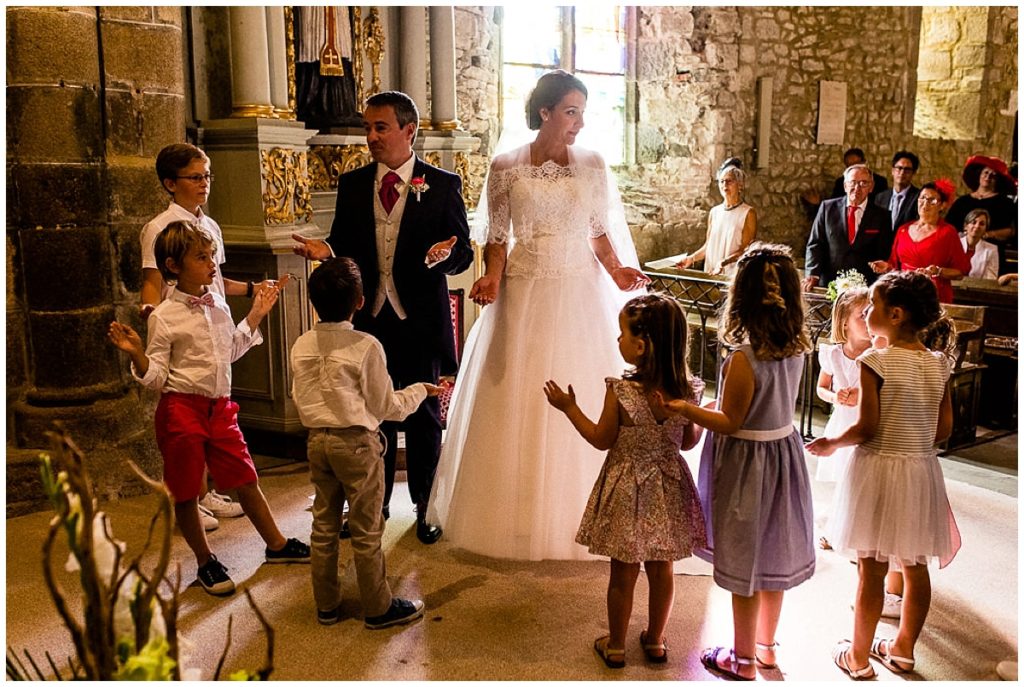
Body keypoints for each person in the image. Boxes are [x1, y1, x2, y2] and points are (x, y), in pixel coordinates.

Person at [426, 70, 649, 561]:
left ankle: (580, 513)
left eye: (583, 112)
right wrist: (490, 277)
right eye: (572, 111)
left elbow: (597, 231)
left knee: (584, 385)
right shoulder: (505, 165)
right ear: (545, 112)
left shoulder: (592, 163)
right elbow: (499, 237)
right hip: (524, 290)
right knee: (517, 398)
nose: (580, 123)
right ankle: (516, 514)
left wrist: (616, 271)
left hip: (578, 289)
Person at [291, 91, 473, 545]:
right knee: (372, 415)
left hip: (420, 317)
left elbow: (463, 252)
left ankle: (426, 506)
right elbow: (343, 242)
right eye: (367, 128)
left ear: (409, 131)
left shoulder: (443, 184)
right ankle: (374, 504)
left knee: (425, 414)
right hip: (369, 318)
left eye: (380, 127)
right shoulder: (353, 184)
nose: (370, 136)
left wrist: (445, 258)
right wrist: (326, 252)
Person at [108, 222, 310, 597]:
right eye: (201, 257)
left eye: (211, 255)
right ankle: (205, 561)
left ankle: (277, 544)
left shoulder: (216, 301)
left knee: (245, 477)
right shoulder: (163, 316)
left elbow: (229, 351)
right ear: (173, 265)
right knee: (186, 491)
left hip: (220, 408)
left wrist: (256, 315)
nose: (212, 263)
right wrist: (136, 353)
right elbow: (156, 378)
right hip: (181, 409)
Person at [663, 243, 815, 680]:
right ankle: (766, 649)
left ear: (740, 296)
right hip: (782, 457)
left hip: (749, 466)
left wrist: (686, 407)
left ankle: (742, 659)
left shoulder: (743, 357)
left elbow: (730, 421)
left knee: (745, 562)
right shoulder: (796, 348)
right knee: (770, 561)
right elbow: (765, 406)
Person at [807, 271, 960, 679]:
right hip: (920, 470)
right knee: (915, 565)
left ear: (894, 315)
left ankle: (857, 657)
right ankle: (903, 650)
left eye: (872, 306)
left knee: (871, 566)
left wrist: (831, 443)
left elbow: (866, 429)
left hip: (877, 468)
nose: (868, 311)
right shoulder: (939, 364)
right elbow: (944, 430)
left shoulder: (874, 361)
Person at [543, 295, 706, 669]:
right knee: (662, 569)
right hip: (667, 490)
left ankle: (616, 645)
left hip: (626, 490)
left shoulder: (621, 390)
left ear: (642, 344)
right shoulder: (688, 391)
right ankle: (655, 641)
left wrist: (570, 408)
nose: (618, 340)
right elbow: (688, 441)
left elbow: (602, 439)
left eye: (622, 333)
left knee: (623, 571)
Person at [291, 257, 443, 629]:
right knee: (366, 526)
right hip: (357, 445)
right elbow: (386, 406)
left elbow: (300, 395)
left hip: (317, 442)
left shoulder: (301, 344)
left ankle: (326, 603)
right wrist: (420, 390)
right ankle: (377, 606)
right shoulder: (366, 346)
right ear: (360, 301)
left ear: (313, 301)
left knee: (324, 524)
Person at [141, 143, 279, 530]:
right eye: (195, 177)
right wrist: (151, 313)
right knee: (188, 416)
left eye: (207, 176)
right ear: (171, 183)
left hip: (212, 319)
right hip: (180, 322)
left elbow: (217, 281)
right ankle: (192, 497)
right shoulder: (159, 227)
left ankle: (207, 492)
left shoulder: (211, 225)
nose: (205, 184)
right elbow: (152, 282)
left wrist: (254, 289)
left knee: (215, 405)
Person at [869, 180, 972, 303]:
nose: (925, 204)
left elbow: (960, 272)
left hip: (932, 295)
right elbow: (895, 265)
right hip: (903, 292)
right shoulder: (903, 229)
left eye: (932, 200)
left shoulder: (948, 232)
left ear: (942, 205)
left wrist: (938, 271)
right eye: (922, 198)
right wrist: (886, 267)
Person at [804, 164, 893, 290]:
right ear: (845, 186)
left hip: (865, 286)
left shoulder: (882, 216)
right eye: (853, 183)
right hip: (830, 282)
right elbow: (816, 244)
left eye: (863, 183)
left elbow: (885, 251)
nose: (857, 188)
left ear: (871, 187)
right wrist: (813, 274)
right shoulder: (827, 208)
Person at [674, 158, 757, 277]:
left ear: (740, 185)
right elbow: (708, 245)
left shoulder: (748, 213)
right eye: (721, 181)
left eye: (729, 181)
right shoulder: (715, 212)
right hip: (711, 272)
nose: (724, 185)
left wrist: (723, 263)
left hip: (732, 276)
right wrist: (691, 259)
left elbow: (746, 251)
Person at [945, 155, 1017, 274]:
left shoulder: (1006, 203)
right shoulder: (962, 201)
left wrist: (987, 234)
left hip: (991, 254)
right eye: (985, 172)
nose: (988, 177)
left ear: (997, 179)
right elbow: (949, 227)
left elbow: (1012, 231)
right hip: (960, 250)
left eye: (992, 175)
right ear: (979, 175)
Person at [801, 148, 888, 220]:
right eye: (849, 166)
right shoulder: (841, 183)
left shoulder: (880, 182)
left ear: (864, 163)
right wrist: (817, 205)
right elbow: (835, 208)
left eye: (856, 164)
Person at [873, 151, 921, 231]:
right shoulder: (880, 197)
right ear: (892, 171)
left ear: (914, 173)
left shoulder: (918, 197)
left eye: (907, 170)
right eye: (899, 168)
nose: (902, 173)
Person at [961, 209, 999, 280]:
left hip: (977, 289)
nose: (977, 226)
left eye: (982, 224)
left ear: (985, 229)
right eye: (973, 222)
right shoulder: (953, 243)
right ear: (965, 226)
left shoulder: (992, 250)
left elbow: (991, 279)